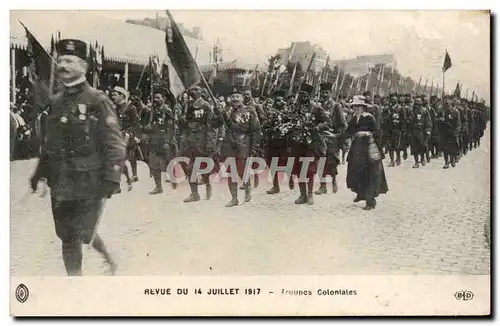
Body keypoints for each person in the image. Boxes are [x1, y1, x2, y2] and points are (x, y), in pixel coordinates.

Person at [29, 39, 126, 276]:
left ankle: (105, 261)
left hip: (87, 178)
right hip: (61, 180)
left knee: (81, 230)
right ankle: (75, 280)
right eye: (60, 60)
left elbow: (113, 141)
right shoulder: (55, 101)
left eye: (69, 60)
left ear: (83, 66)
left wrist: (112, 177)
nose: (62, 65)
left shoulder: (97, 100)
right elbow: (50, 143)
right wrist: (39, 173)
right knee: (66, 234)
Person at [289, 83, 332, 205]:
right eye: (301, 94)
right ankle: (302, 195)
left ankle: (310, 194)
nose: (302, 97)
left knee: (308, 169)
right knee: (298, 168)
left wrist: (317, 128)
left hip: (311, 143)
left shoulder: (316, 108)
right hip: (297, 143)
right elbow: (289, 120)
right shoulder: (294, 108)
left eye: (305, 95)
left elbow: (327, 122)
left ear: (309, 96)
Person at [220, 88, 261, 207]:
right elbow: (215, 123)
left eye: (237, 97)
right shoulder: (226, 111)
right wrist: (218, 113)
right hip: (230, 145)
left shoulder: (250, 111)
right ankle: (234, 198)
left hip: (244, 144)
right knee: (231, 172)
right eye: (233, 97)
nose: (235, 99)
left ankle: (247, 188)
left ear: (242, 98)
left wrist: (254, 146)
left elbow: (256, 130)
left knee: (243, 171)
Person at [178, 86, 220, 202]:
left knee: (203, 168)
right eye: (192, 90)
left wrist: (210, 144)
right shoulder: (187, 106)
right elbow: (185, 125)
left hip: (202, 141)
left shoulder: (206, 106)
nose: (194, 92)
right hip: (189, 141)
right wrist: (182, 120)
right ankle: (194, 193)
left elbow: (210, 126)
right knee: (188, 167)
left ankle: (207, 183)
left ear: (202, 92)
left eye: (197, 90)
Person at [345, 95, 388, 210]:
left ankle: (370, 200)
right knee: (356, 170)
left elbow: (376, 131)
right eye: (355, 107)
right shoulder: (355, 118)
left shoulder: (369, 118)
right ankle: (361, 193)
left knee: (370, 173)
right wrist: (338, 136)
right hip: (357, 148)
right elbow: (349, 131)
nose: (356, 109)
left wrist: (368, 134)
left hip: (369, 147)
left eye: (359, 107)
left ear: (364, 107)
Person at [315, 82, 347, 195]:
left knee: (331, 162)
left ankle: (333, 182)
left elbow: (343, 124)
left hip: (331, 139)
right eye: (322, 92)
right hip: (319, 139)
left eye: (326, 92)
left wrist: (336, 135)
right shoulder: (317, 106)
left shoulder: (336, 106)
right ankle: (322, 186)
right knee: (320, 162)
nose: (324, 95)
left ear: (330, 93)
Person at [144, 91, 177, 194]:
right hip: (154, 141)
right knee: (154, 165)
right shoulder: (153, 111)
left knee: (168, 163)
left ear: (163, 99)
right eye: (155, 98)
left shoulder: (167, 110)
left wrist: (168, 142)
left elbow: (171, 128)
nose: (156, 100)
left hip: (164, 141)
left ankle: (173, 178)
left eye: (158, 98)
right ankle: (158, 187)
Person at [111, 86, 143, 189]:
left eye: (115, 95)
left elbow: (136, 123)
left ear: (122, 96)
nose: (113, 97)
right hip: (119, 136)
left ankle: (133, 175)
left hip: (128, 136)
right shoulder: (115, 108)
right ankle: (125, 181)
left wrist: (133, 134)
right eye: (112, 95)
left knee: (130, 156)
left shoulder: (130, 108)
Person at [382, 92, 407, 167]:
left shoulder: (400, 108)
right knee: (390, 146)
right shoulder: (387, 109)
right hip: (389, 129)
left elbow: (403, 119)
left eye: (394, 98)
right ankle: (392, 160)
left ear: (397, 99)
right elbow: (384, 118)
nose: (393, 99)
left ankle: (398, 157)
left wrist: (403, 130)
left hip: (397, 129)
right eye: (392, 98)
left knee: (397, 146)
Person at [437, 95, 461, 168]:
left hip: (453, 132)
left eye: (448, 102)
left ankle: (452, 159)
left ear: (451, 102)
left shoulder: (456, 112)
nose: (447, 103)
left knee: (453, 147)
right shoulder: (442, 111)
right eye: (446, 102)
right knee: (445, 148)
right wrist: (440, 120)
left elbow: (458, 124)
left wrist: (456, 133)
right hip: (445, 133)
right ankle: (446, 162)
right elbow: (437, 120)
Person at [408, 95, 432, 168]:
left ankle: (422, 158)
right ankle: (416, 162)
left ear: (421, 103)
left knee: (422, 147)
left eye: (418, 103)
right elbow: (410, 121)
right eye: (416, 103)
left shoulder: (425, 110)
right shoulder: (412, 111)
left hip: (422, 132)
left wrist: (428, 130)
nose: (417, 105)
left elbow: (428, 122)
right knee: (414, 148)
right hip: (414, 132)